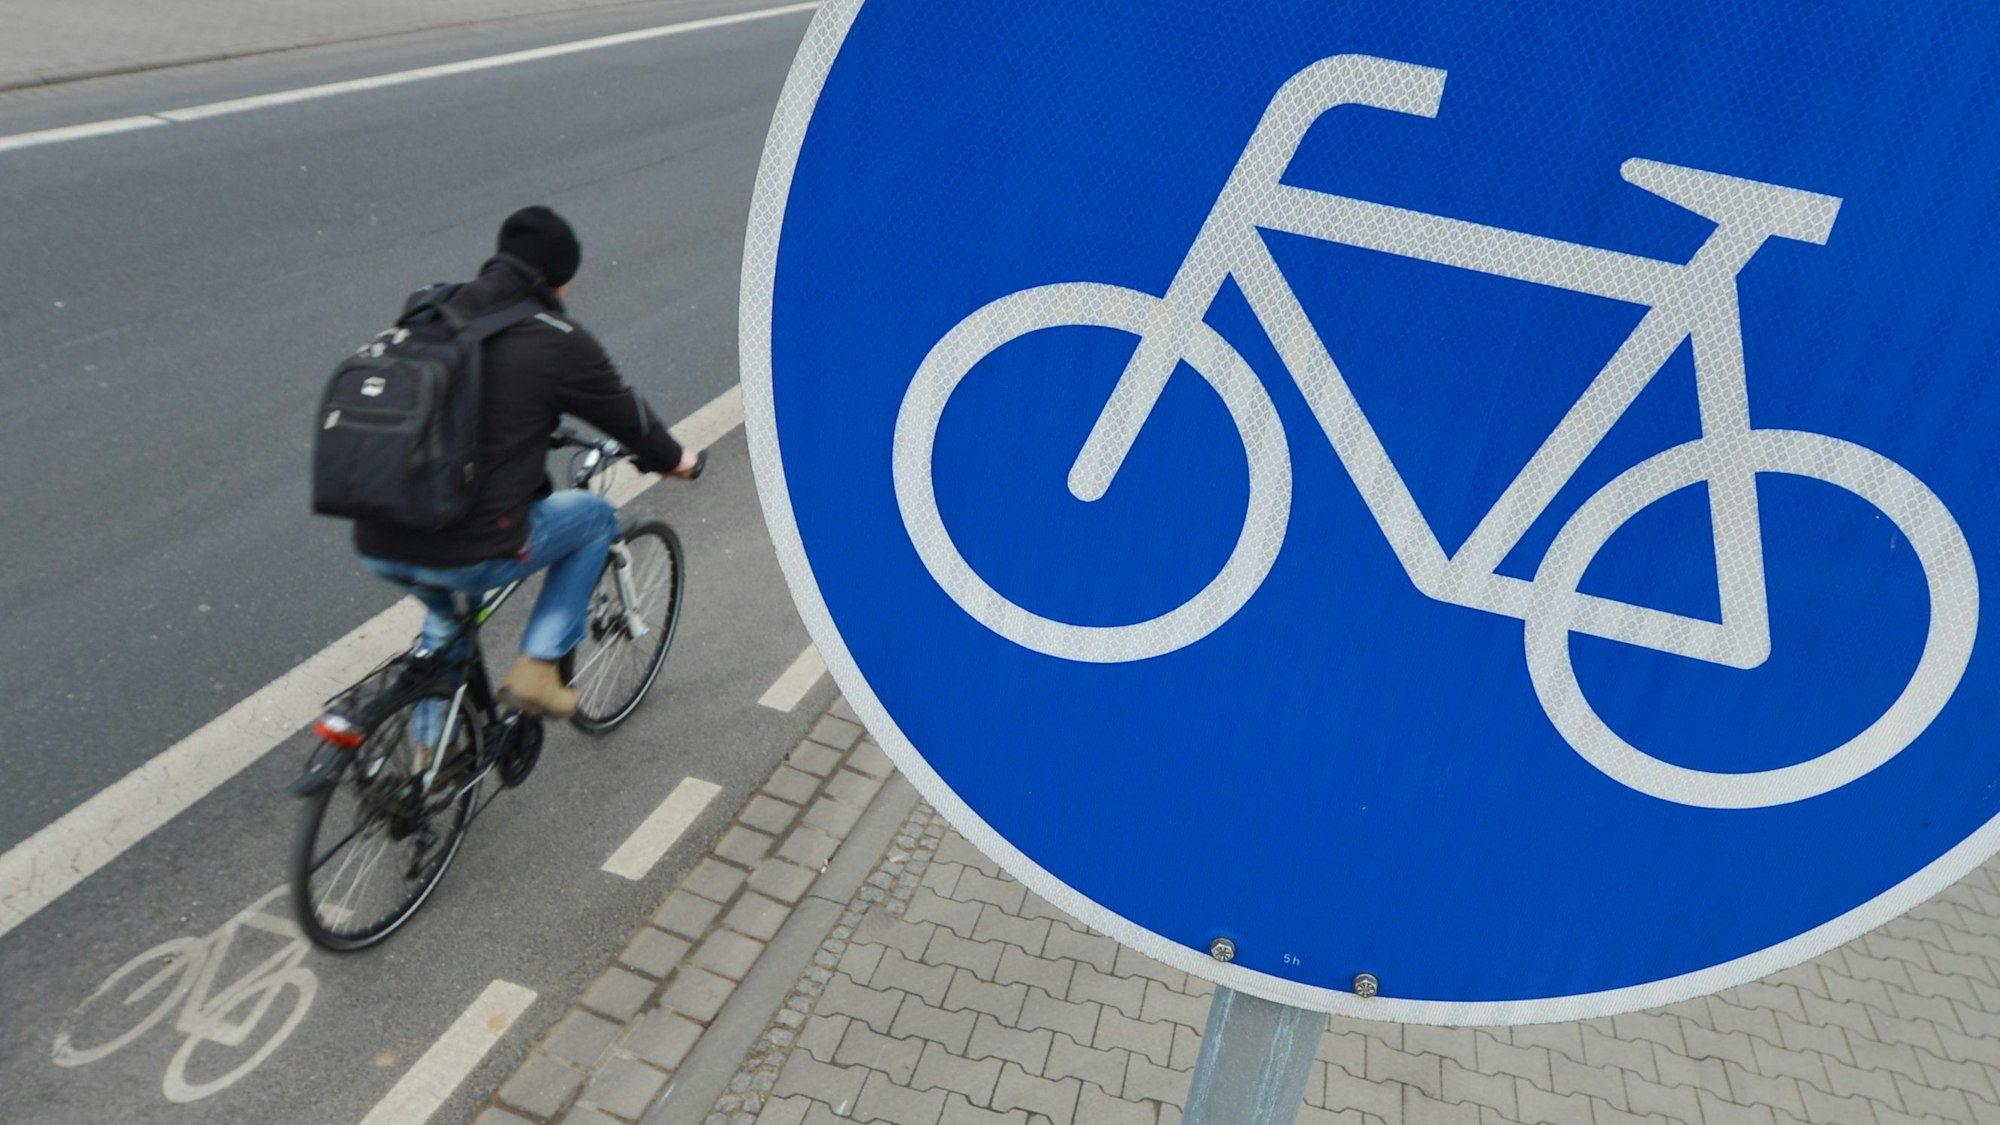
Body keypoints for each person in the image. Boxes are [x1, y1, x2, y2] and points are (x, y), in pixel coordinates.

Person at [355, 206, 699, 718]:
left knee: (446, 620)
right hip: (470, 547)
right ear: (558, 279)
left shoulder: (431, 307)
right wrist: (677, 461)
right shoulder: (555, 340)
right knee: (595, 517)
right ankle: (538, 669)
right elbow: (628, 418)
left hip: (379, 533)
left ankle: (427, 764)